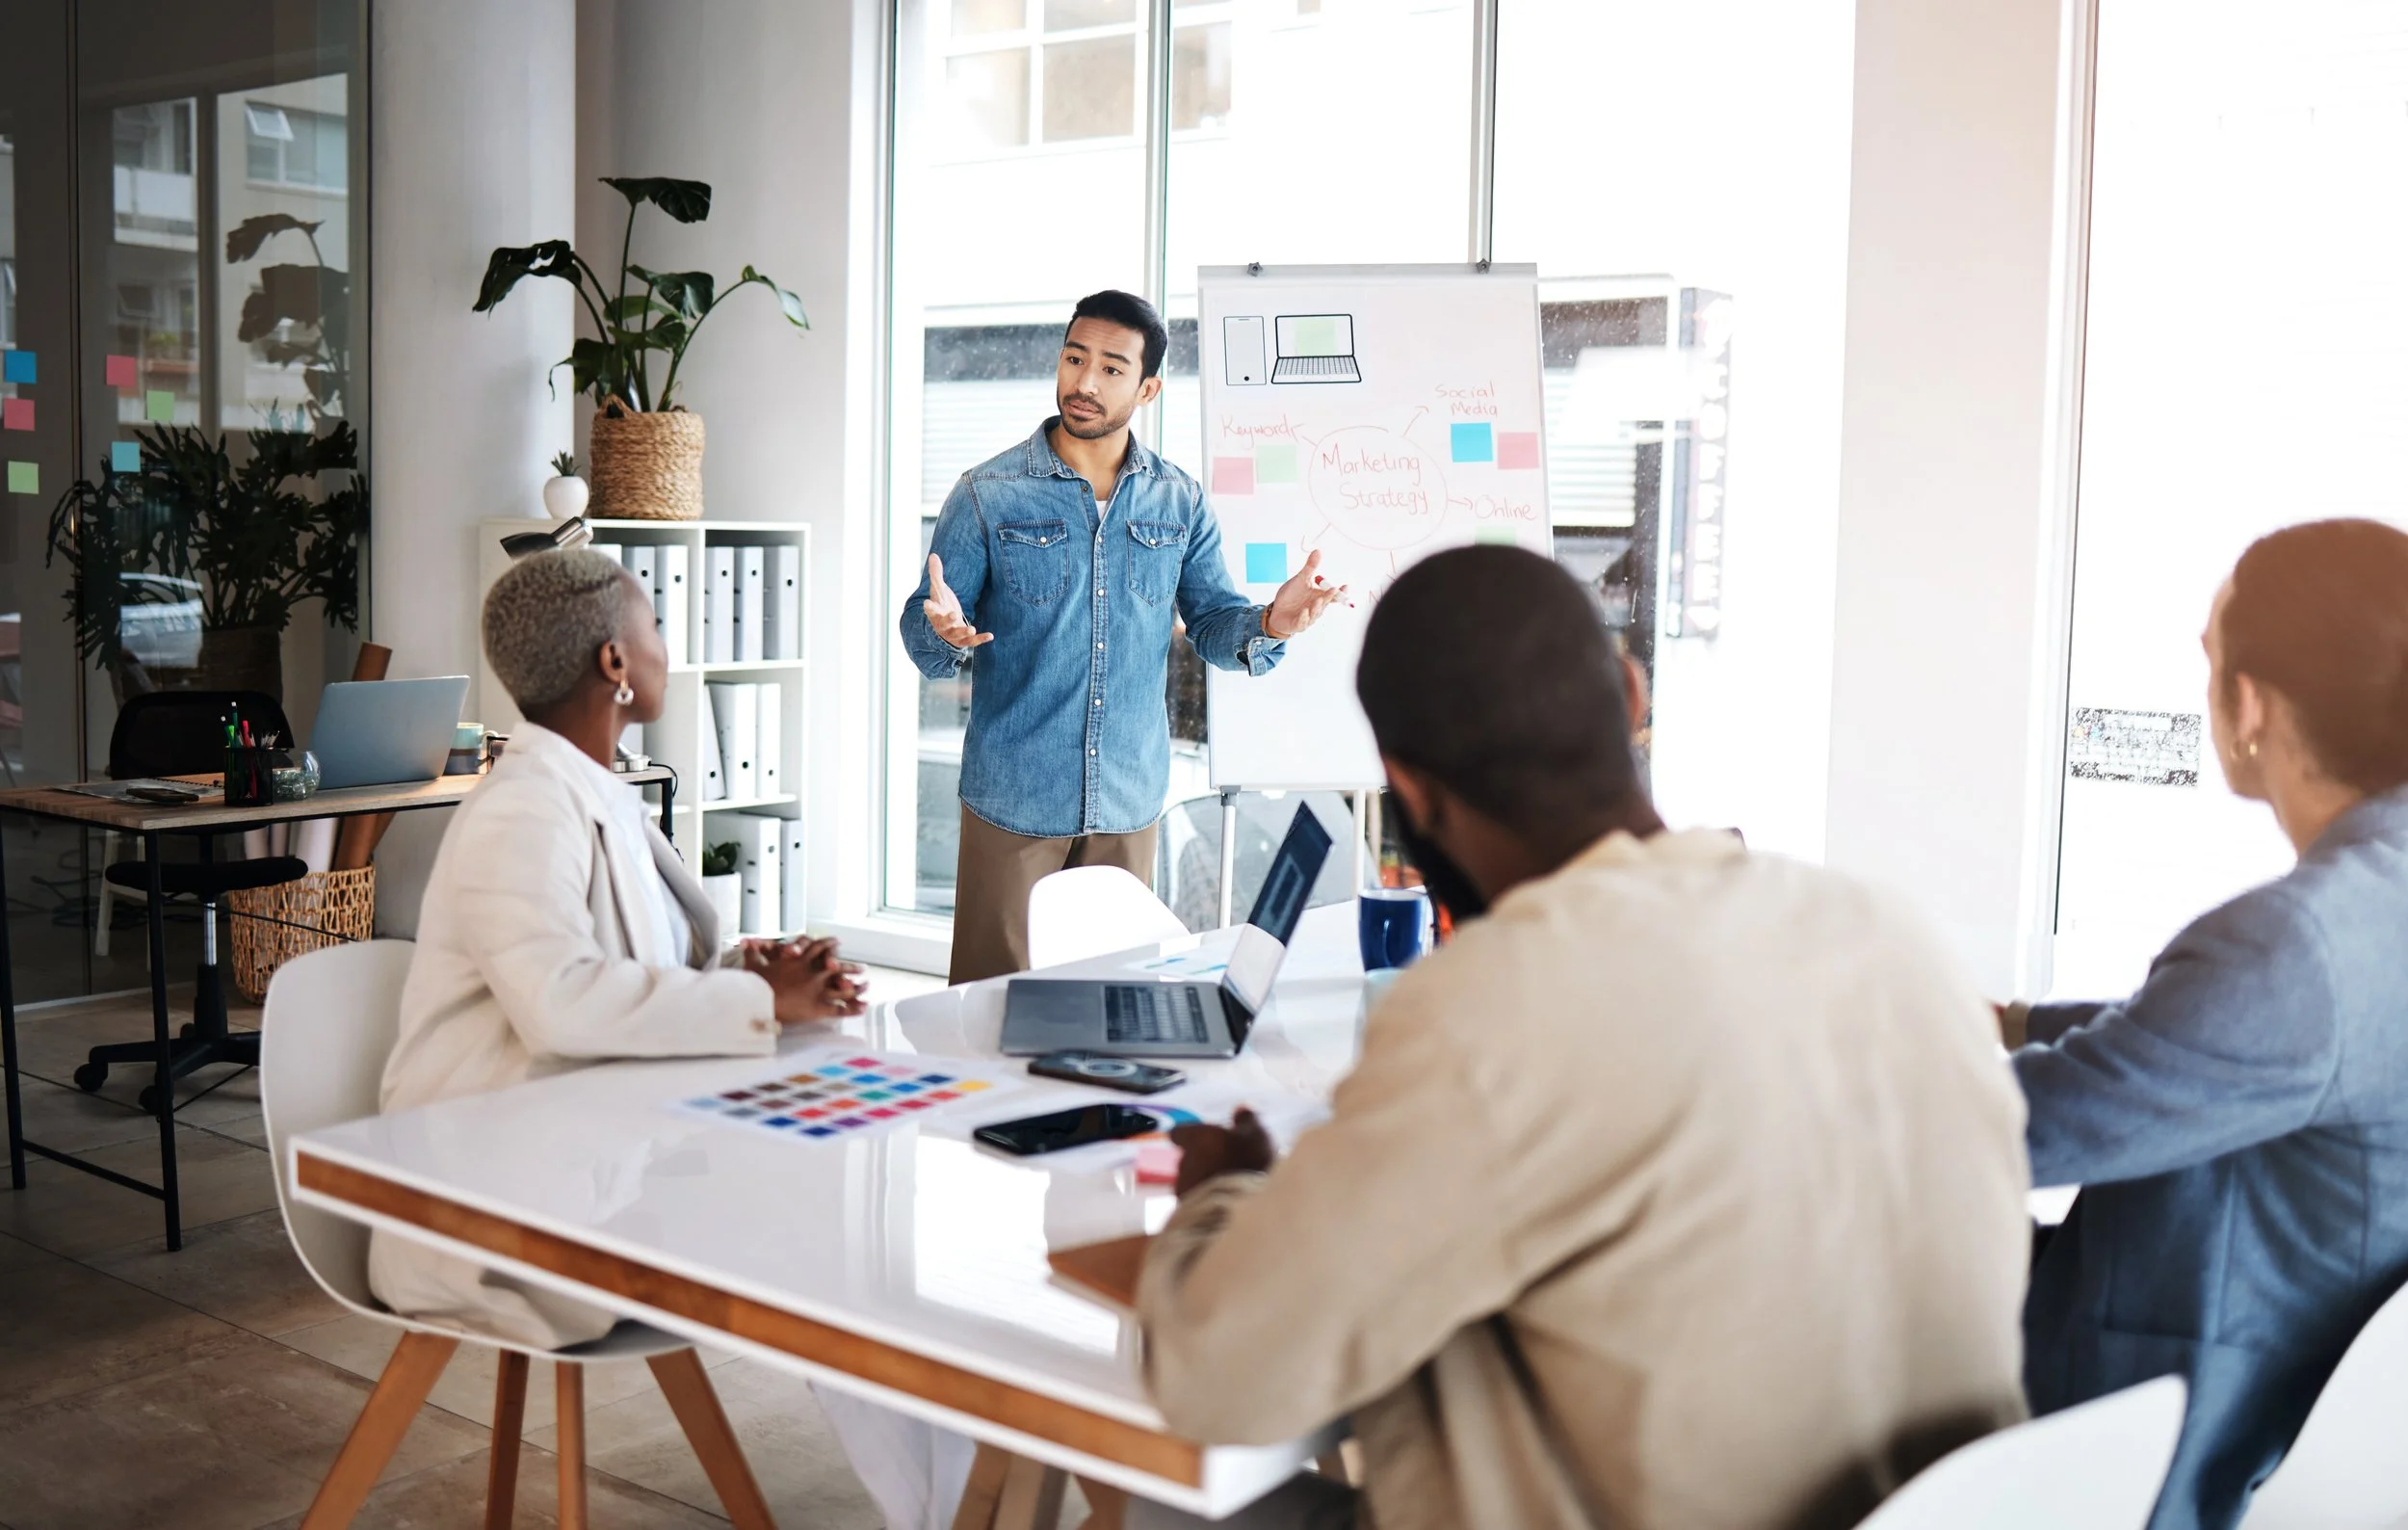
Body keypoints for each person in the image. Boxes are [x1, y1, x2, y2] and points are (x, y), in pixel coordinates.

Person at [1134, 545, 2032, 1530]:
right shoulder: (1891, 935)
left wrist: (1222, 1192)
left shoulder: (1493, 1006)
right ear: (1631, 692)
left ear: (1409, 790)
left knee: (1158, 1501)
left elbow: (1214, 1374)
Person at [2010, 518, 2408, 1530]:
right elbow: (2215, 1046)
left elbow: (2007, 1134)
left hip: (2162, 1445)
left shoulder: (2302, 946)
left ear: (2245, 705)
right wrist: (2009, 1020)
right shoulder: (2369, 911)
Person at [370, 547, 864, 1347]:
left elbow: (632, 972)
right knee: (830, 1245)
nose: (668, 644)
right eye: (657, 626)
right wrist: (755, 1003)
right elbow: (560, 1000)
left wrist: (751, 971)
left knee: (827, 1203)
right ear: (615, 661)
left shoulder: (603, 794)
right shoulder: (522, 810)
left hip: (597, 1161)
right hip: (497, 1212)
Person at [899, 289, 1347, 983]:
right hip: (1015, 799)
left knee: (1113, 1002)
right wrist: (945, 633)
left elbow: (1211, 622)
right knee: (992, 1008)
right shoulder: (988, 493)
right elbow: (926, 629)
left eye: (1111, 368)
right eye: (1075, 358)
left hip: (1128, 801)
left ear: (1148, 387)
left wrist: (1267, 623)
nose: (1084, 382)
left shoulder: (1179, 500)